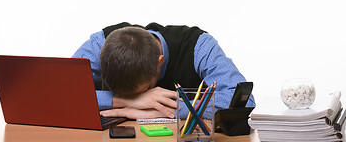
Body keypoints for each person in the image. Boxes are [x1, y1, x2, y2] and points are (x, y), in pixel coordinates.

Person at [72, 22, 255, 119]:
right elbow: (55, 93)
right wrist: (120, 100)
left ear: (160, 62)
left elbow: (242, 102)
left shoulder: (198, 46)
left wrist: (166, 110)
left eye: (140, 92)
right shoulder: (100, 44)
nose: (139, 100)